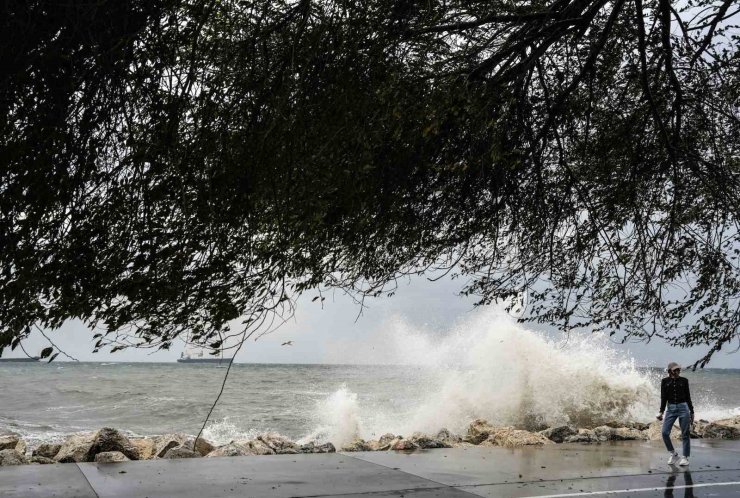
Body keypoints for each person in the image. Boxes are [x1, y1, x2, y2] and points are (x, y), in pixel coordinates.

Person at [657, 362, 694, 466]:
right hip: (670, 409)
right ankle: (673, 454)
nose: (677, 371)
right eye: (675, 370)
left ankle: (685, 457)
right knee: (664, 432)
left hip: (683, 408)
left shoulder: (684, 381)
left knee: (685, 434)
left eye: (678, 370)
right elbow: (663, 398)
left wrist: (692, 411)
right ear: (670, 371)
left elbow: (688, 397)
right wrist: (661, 411)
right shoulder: (664, 381)